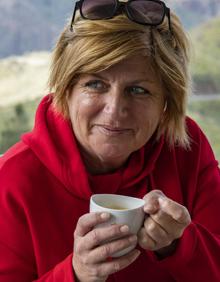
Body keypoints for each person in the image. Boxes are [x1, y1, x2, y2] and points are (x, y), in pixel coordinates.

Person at [0, 0, 220, 281]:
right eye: (95, 84)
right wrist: (76, 274)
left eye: (138, 90)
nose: (115, 110)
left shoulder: (186, 148)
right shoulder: (13, 181)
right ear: (65, 90)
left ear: (167, 102)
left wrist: (179, 244)